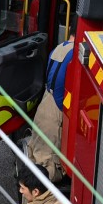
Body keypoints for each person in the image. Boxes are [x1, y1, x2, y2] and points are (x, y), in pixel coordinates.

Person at [25, 39, 74, 183]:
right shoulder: (74, 55)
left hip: (45, 103)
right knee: (49, 170)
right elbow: (62, 96)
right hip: (54, 114)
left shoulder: (59, 48)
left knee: (37, 156)